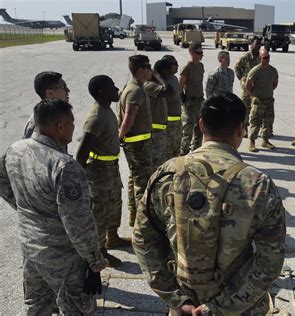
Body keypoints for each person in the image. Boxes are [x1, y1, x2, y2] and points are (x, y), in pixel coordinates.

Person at [132, 93, 286, 315]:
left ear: (201, 125)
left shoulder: (166, 174)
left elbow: (143, 239)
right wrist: (219, 308)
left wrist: (176, 298)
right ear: (241, 130)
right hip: (239, 309)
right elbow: (270, 261)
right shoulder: (258, 184)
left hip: (184, 306)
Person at [0, 99, 105, 314]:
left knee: (38, 307)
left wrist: (24, 206)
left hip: (31, 250)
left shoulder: (15, 150)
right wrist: (95, 260)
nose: (74, 127)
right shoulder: (64, 166)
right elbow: (78, 223)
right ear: (60, 126)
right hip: (64, 259)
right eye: (72, 123)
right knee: (77, 310)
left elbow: (2, 180)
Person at [76, 75, 130, 268]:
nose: (116, 89)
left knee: (115, 204)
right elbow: (81, 153)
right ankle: (99, 251)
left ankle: (112, 238)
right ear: (101, 92)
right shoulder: (96, 116)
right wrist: (81, 182)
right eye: (111, 87)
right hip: (99, 172)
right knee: (99, 212)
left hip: (110, 168)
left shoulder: (107, 110)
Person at [118, 55, 153, 227]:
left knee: (135, 179)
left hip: (137, 143)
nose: (151, 70)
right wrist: (119, 138)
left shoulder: (135, 87)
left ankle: (134, 217)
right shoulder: (135, 91)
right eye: (148, 67)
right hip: (138, 145)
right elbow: (127, 119)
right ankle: (143, 225)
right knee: (142, 184)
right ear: (141, 70)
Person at [23, 72, 70, 152]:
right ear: (50, 93)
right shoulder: (41, 124)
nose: (68, 91)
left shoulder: (53, 116)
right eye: (63, 87)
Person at [245, 47, 279, 152]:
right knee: (255, 121)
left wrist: (268, 91)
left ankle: (265, 140)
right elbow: (248, 85)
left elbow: (275, 83)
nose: (267, 59)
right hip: (258, 100)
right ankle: (252, 142)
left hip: (269, 99)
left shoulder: (272, 70)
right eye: (264, 57)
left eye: (268, 57)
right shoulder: (255, 71)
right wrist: (253, 95)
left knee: (268, 121)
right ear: (260, 58)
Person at [144, 59, 175, 169]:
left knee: (160, 161)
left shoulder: (156, 85)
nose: (169, 76)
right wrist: (159, 76)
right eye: (167, 73)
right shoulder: (150, 86)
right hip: (154, 132)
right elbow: (170, 92)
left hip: (159, 131)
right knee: (156, 165)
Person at [180, 44, 205, 155]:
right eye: (199, 53)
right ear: (192, 53)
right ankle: (183, 154)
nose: (201, 55)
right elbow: (180, 86)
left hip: (200, 101)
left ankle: (196, 152)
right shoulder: (187, 67)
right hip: (190, 102)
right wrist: (184, 100)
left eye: (202, 53)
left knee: (200, 129)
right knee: (187, 131)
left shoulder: (200, 66)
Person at [235, 37, 262, 137]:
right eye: (256, 44)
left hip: (257, 86)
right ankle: (245, 128)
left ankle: (257, 128)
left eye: (259, 44)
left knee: (258, 108)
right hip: (246, 87)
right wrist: (242, 79)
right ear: (252, 45)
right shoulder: (245, 57)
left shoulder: (261, 57)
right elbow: (237, 68)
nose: (258, 46)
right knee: (245, 108)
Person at [162, 55, 183, 160]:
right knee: (167, 152)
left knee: (176, 151)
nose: (177, 66)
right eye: (175, 64)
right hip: (168, 123)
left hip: (177, 122)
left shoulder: (174, 78)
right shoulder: (162, 81)